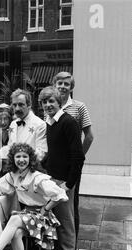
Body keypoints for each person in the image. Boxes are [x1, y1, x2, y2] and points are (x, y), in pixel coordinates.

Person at [40, 86, 85, 250]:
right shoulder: (50, 123)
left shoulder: (68, 122)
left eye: (52, 101)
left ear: (59, 103)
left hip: (63, 182)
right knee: (54, 222)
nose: (48, 105)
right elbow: (55, 151)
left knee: (66, 225)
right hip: (51, 179)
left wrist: (69, 183)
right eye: (45, 102)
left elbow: (78, 156)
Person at [52, 72, 94, 241]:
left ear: (71, 88)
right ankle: (54, 241)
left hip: (71, 166)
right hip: (53, 164)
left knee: (71, 205)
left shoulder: (79, 107)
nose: (62, 86)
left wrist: (78, 158)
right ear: (54, 84)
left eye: (66, 84)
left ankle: (72, 244)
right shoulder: (49, 105)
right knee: (53, 202)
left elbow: (89, 136)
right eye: (59, 83)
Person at [0, 89, 47, 161]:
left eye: (21, 105)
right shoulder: (13, 124)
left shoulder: (40, 125)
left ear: (29, 105)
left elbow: (41, 154)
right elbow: (10, 147)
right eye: (14, 105)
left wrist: (22, 160)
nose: (17, 108)